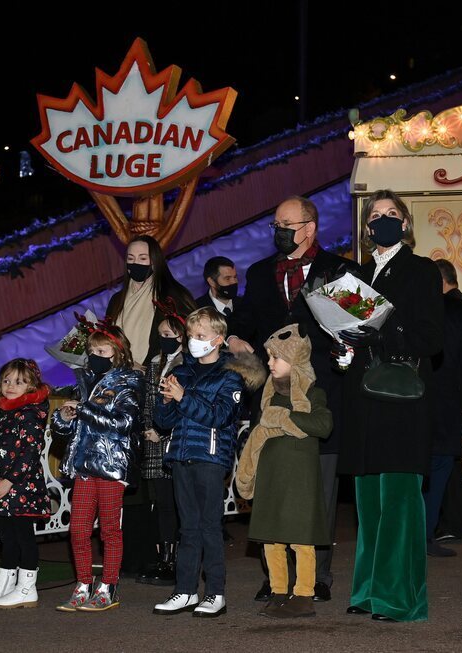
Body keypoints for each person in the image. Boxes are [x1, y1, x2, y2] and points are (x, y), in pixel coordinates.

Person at [227, 195, 359, 603]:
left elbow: (358, 326)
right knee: (272, 486)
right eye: (276, 225)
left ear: (309, 228)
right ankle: (275, 577)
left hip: (321, 394)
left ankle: (317, 576)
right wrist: (233, 336)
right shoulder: (260, 272)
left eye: (286, 224)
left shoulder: (341, 270)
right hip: (270, 396)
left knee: (317, 490)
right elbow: (246, 320)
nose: (279, 231)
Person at [337, 189, 444, 622]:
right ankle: (368, 590)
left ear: (404, 224)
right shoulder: (358, 274)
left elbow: (431, 338)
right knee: (369, 501)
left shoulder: (420, 271)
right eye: (375, 215)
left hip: (401, 398)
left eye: (391, 214)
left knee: (399, 500)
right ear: (366, 227)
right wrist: (343, 346)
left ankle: (401, 598)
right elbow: (348, 330)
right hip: (363, 397)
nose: (383, 220)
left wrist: (382, 333)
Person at [152, 307, 266, 618]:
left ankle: (215, 593)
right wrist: (165, 402)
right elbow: (163, 422)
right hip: (181, 457)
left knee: (209, 528)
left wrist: (182, 397)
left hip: (211, 459)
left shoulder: (230, 375)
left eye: (200, 336)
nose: (193, 341)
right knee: (187, 528)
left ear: (217, 340)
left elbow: (219, 416)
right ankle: (185, 590)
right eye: (190, 336)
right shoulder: (183, 372)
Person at [236, 324, 333, 619]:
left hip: (299, 480)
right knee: (271, 538)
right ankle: (279, 591)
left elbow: (322, 425)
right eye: (269, 357)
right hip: (271, 477)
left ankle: (304, 594)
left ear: (295, 360)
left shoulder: (313, 393)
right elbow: (257, 435)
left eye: (275, 358)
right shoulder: (267, 396)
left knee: (301, 538)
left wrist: (285, 417)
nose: (269, 363)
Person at [52, 323, 144, 612]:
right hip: (83, 466)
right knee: (78, 531)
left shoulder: (128, 383)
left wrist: (86, 410)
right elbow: (64, 430)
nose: (95, 356)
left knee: (109, 531)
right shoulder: (84, 381)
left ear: (117, 353)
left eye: (101, 351)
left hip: (111, 466)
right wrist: (64, 417)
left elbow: (123, 424)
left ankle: (108, 587)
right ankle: (83, 584)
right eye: (91, 351)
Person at [0, 358, 51, 609]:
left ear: (31, 385)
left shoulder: (31, 413)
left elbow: (29, 452)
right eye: (6, 381)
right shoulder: (0, 415)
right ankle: (4, 584)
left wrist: (9, 481)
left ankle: (27, 588)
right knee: (7, 538)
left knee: (23, 536)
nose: (11, 386)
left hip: (21, 487)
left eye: (19, 382)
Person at [424, 259, 462, 557]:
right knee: (444, 465)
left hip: (438, 398)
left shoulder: (444, 309)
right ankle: (436, 527)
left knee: (437, 467)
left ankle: (434, 527)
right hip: (450, 400)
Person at [136, 307, 186, 585]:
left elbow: (182, 406)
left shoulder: (186, 363)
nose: (163, 339)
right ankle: (165, 558)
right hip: (153, 443)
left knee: (172, 503)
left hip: (172, 442)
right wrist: (147, 428)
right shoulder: (156, 362)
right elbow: (148, 403)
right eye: (160, 335)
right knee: (160, 502)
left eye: (168, 334)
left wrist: (161, 433)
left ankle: (175, 560)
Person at [106, 235, 196, 366]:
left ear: (154, 261)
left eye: (142, 258)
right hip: (120, 374)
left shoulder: (173, 296)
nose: (135, 263)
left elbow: (192, 334)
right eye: (130, 258)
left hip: (160, 374)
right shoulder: (116, 300)